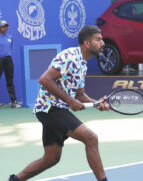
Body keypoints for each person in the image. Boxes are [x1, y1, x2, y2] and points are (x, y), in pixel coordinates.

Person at [8, 25, 110, 181]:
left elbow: (80, 95)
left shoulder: (83, 64)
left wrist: (97, 103)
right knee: (91, 138)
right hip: (50, 109)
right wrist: (70, 101)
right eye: (98, 39)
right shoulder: (69, 56)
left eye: (102, 39)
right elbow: (44, 79)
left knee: (51, 158)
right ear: (86, 43)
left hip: (57, 110)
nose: (102, 43)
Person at [0, 20, 21, 108]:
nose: (5, 28)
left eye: (6, 26)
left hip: (8, 60)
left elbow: (10, 47)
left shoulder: (10, 37)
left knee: (10, 82)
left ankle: (14, 102)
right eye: (3, 26)